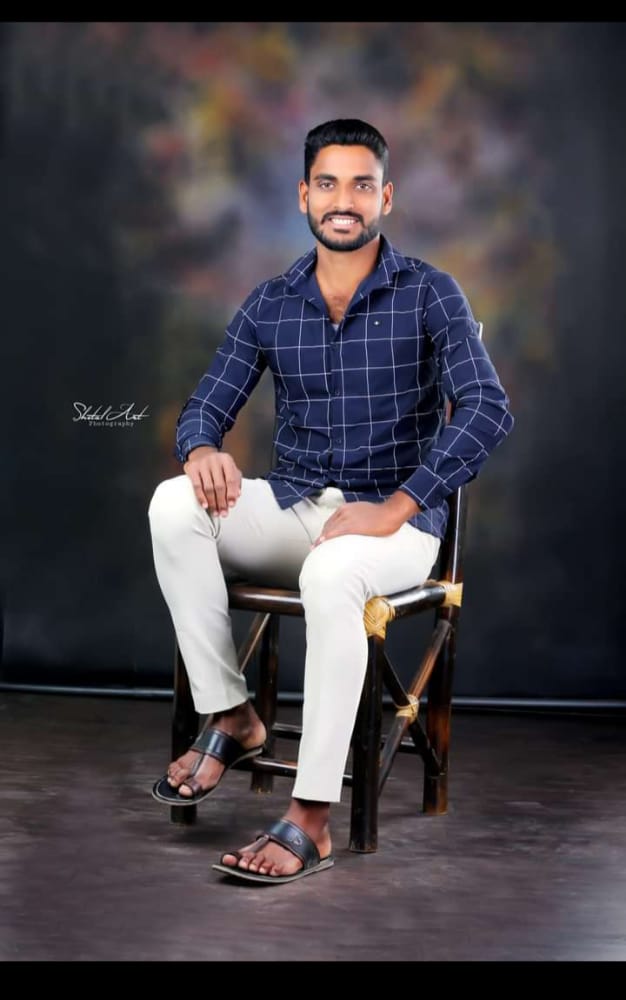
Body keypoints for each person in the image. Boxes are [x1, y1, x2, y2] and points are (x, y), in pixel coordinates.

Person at [147, 118, 514, 884]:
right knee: (173, 505)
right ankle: (232, 714)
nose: (342, 200)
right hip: (297, 506)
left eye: (360, 185)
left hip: (397, 526)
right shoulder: (271, 301)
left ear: (387, 197)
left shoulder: (431, 293)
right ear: (303, 196)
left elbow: (487, 409)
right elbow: (205, 405)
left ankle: (310, 819)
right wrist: (203, 448)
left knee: (331, 572)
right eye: (327, 183)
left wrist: (401, 504)